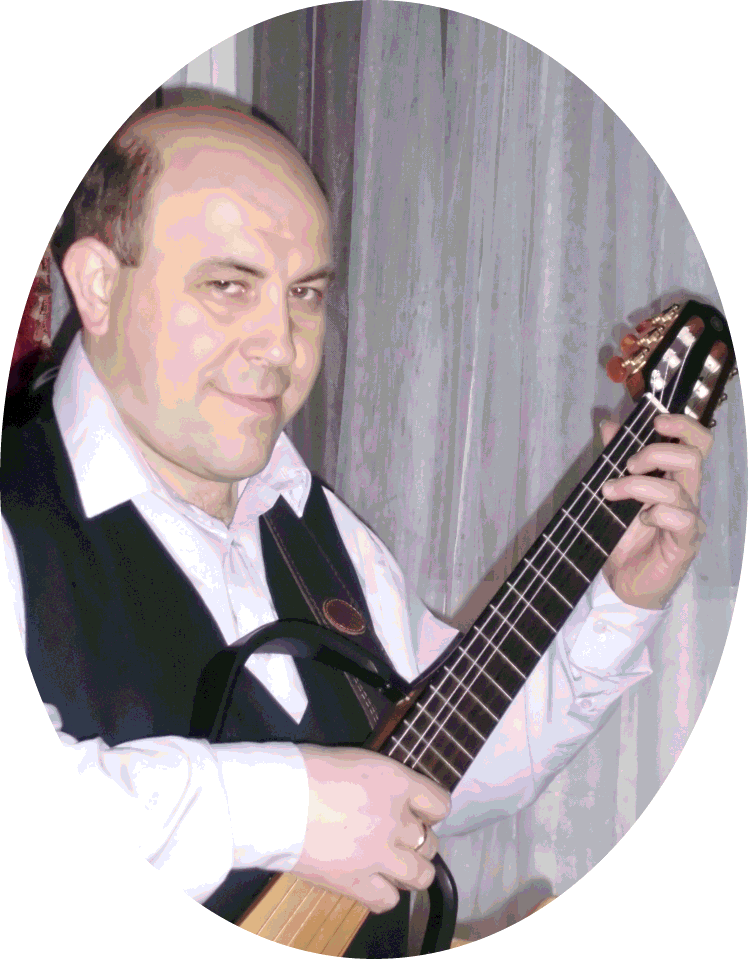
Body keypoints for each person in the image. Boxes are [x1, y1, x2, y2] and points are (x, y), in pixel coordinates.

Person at [1, 103, 712, 956]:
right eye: (229, 285)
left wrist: (617, 601)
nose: (280, 345)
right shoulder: (18, 514)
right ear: (97, 285)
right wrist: (293, 809)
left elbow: (445, 770)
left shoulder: (315, 521)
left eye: (305, 293)